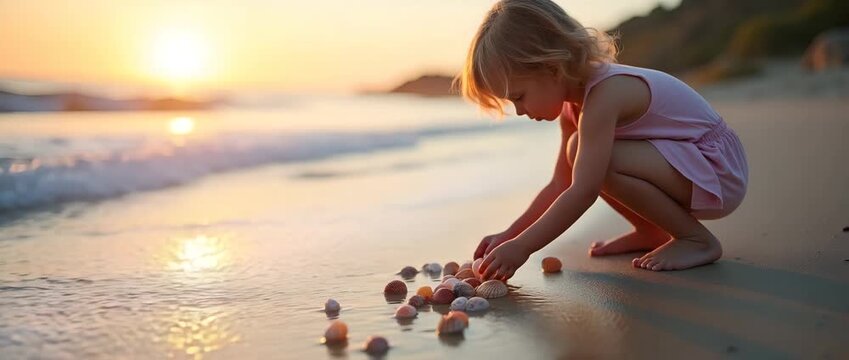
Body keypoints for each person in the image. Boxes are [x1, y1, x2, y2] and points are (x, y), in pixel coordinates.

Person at [457, 0, 748, 279]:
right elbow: (561, 183)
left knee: (598, 163)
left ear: (552, 68)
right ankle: (650, 231)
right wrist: (510, 235)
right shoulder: (574, 108)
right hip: (689, 168)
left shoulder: (607, 95)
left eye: (519, 97)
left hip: (717, 171)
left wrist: (523, 247)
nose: (519, 111)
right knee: (580, 155)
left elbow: (583, 190)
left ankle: (696, 239)